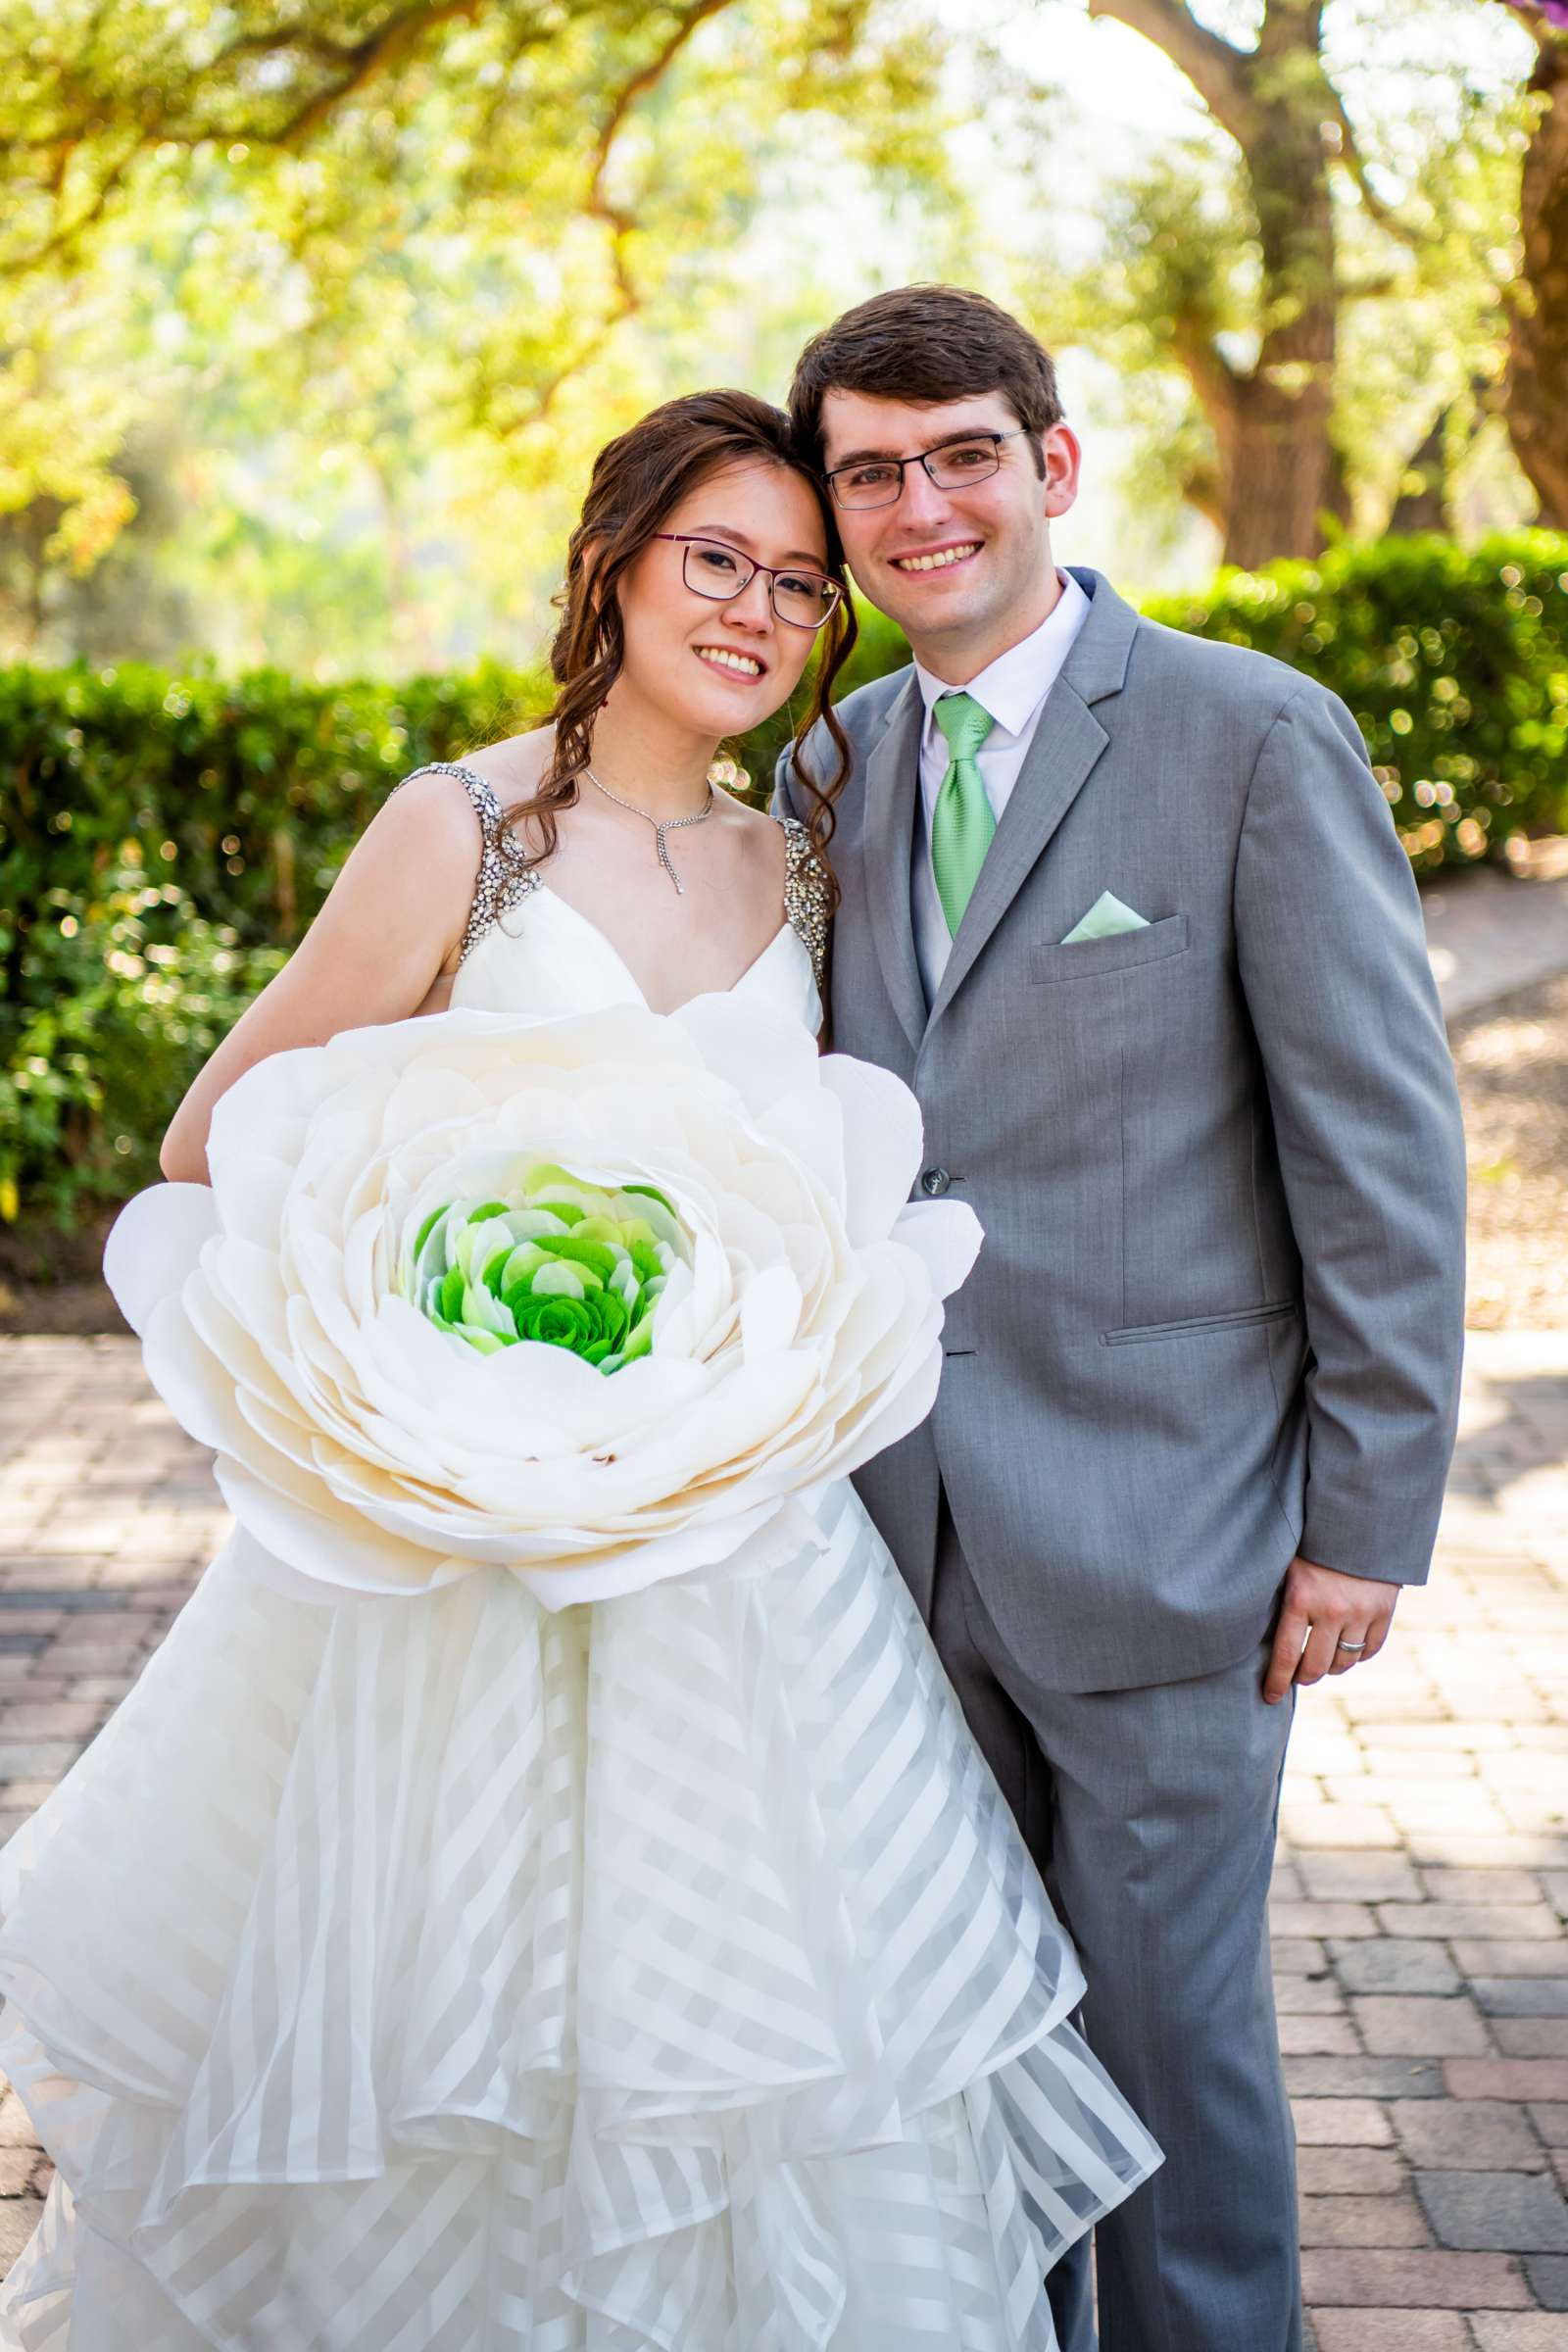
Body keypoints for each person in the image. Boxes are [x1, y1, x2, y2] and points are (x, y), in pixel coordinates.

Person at [0, 388, 1157, 2350]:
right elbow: (223, 1141)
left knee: (737, 2036)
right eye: (714, 557)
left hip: (736, 1558)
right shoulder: (461, 825)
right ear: (614, 560)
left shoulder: (801, 854)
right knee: (453, 2010)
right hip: (460, 1555)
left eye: (798, 586)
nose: (756, 610)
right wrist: (416, 1338)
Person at [774, 285, 1467, 2352]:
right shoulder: (831, 765)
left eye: (960, 453)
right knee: (961, 2057)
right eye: (869, 473)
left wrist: (1364, 1517)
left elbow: (1377, 1154)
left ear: (1049, 467)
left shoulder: (1246, 734)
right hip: (891, 1542)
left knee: (1168, 2064)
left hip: (1174, 1532)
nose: (920, 506)